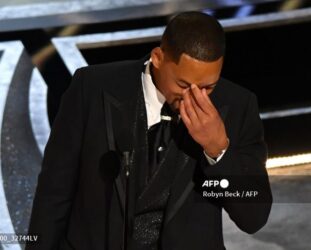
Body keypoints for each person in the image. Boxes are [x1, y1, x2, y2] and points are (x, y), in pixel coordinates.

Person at [26, 11, 272, 250]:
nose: (196, 97)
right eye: (183, 84)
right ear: (158, 57)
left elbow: (253, 217)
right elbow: (54, 192)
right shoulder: (92, 87)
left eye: (209, 87)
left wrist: (218, 150)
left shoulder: (238, 106)